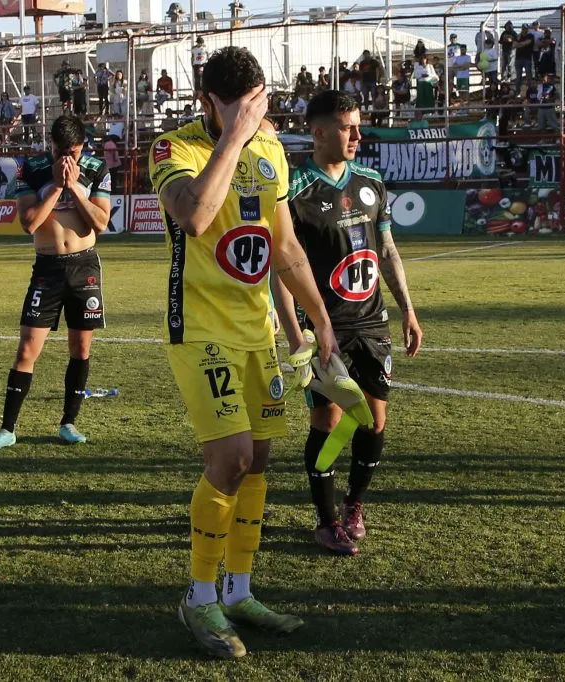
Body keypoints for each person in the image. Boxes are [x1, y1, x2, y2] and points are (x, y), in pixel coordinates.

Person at [148, 45, 336, 660]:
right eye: (242, 106)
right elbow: (196, 218)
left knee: (257, 461)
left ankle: (239, 591)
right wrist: (234, 137)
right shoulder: (174, 149)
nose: (255, 116)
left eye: (261, 104)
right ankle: (199, 599)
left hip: (257, 329)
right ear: (210, 102)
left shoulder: (272, 150)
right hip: (200, 328)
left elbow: (284, 247)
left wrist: (317, 320)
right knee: (226, 460)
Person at [281, 90, 423, 555]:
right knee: (329, 418)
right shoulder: (296, 190)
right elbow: (279, 268)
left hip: (372, 325)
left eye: (359, 126)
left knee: (375, 422)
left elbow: (386, 251)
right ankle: (325, 521)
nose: (358, 135)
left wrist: (408, 309)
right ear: (318, 131)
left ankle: (353, 506)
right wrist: (297, 333)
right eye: (347, 127)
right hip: (327, 328)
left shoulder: (371, 182)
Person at [0, 114, 112, 453]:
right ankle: (7, 428)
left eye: (74, 152)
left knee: (81, 349)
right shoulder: (32, 168)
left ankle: (69, 422)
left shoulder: (97, 168)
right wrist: (56, 186)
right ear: (50, 145)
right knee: (27, 348)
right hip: (48, 269)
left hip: (84, 268)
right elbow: (29, 223)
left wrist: (75, 189)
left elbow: (100, 222)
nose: (67, 159)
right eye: (60, 152)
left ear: (83, 146)